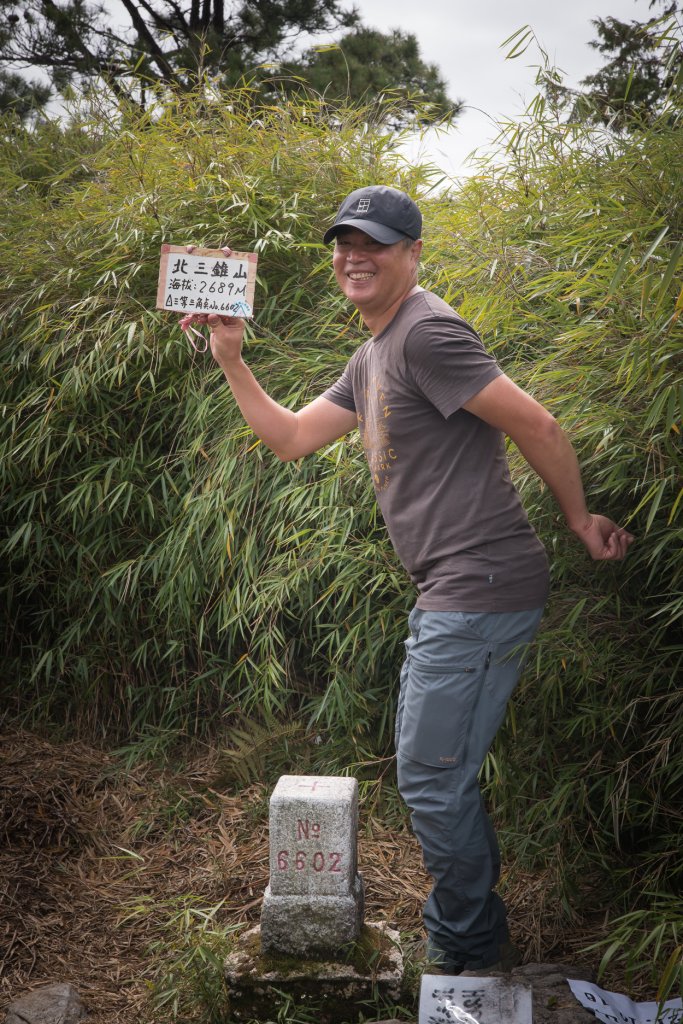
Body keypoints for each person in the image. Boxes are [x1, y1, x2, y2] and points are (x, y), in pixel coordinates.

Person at [181, 185, 633, 974]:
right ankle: (468, 935)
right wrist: (231, 358)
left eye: (376, 243)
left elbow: (538, 422)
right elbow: (290, 438)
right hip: (455, 588)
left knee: (428, 779)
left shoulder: (426, 332)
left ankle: (465, 952)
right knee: (434, 774)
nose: (355, 256)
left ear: (412, 253)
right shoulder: (371, 355)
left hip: (480, 582)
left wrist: (575, 517)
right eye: (344, 243)